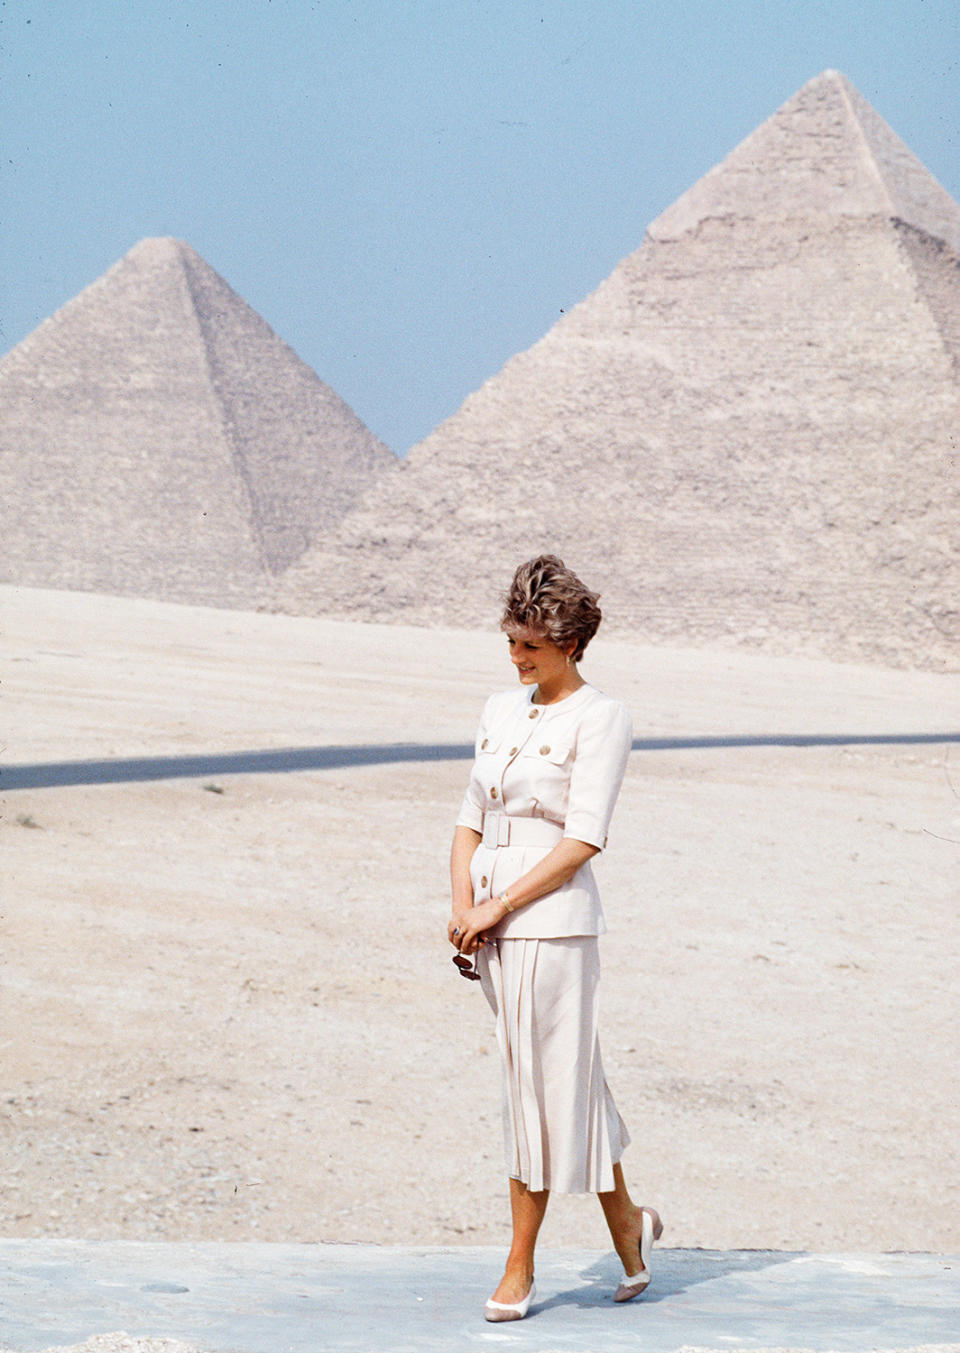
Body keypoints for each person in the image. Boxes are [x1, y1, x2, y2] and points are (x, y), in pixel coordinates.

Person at [448, 554, 662, 1323]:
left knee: (534, 1088)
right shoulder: (499, 709)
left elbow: (583, 840)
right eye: (510, 642)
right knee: (563, 1078)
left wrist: (496, 902)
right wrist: (463, 904)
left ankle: (519, 1264)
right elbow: (470, 816)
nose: (516, 658)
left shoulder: (602, 716)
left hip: (553, 921)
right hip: (494, 925)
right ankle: (630, 1229)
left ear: (568, 642)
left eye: (530, 646)